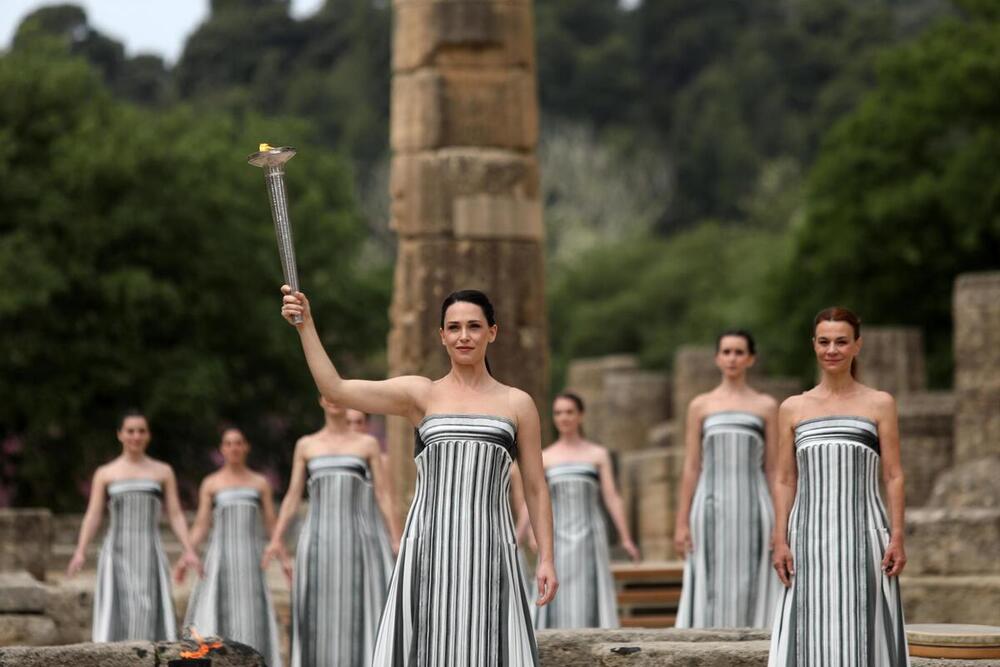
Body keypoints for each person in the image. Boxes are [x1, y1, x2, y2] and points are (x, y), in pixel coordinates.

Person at [280, 286, 557, 666]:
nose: (464, 336)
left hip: (492, 546)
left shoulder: (517, 403)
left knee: (489, 646)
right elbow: (337, 389)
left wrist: (546, 558)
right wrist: (305, 326)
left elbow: (536, 488)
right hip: (429, 544)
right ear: (442, 336)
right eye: (454, 327)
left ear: (493, 332)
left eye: (474, 326)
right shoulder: (419, 394)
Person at [769, 308, 909, 666]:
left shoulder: (880, 403)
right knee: (808, 628)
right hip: (806, 539)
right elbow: (785, 478)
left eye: (841, 341)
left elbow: (893, 474)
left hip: (865, 536)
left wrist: (897, 537)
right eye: (825, 341)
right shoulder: (792, 408)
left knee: (864, 629)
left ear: (857, 346)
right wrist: (780, 539)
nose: (833, 349)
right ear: (814, 346)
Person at [262, 397, 400, 667]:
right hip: (316, 541)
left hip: (357, 542)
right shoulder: (307, 444)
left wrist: (396, 538)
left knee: (359, 611)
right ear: (321, 401)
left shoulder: (366, 445)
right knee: (316, 614)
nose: (334, 400)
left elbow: (383, 495)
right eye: (327, 394)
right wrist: (276, 540)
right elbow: (292, 496)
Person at [674, 330, 781, 628]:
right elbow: (692, 466)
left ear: (751, 358)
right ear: (717, 358)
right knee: (710, 579)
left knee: (752, 578)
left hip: (754, 506)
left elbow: (773, 468)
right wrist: (682, 522)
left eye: (738, 352)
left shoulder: (766, 406)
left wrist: (782, 521)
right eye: (726, 352)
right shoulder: (700, 406)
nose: (732, 358)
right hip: (708, 506)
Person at [67, 410, 200, 641]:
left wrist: (189, 549)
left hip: (150, 551)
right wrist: (80, 550)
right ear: (120, 434)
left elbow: (176, 514)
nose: (136, 436)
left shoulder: (163, 471)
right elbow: (94, 514)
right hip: (116, 552)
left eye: (141, 431)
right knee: (116, 611)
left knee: (147, 610)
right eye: (130, 431)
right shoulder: (106, 473)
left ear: (148, 435)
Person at [176, 427, 283, 667]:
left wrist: (282, 557)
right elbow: (202, 524)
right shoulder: (211, 483)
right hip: (220, 559)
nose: (234, 448)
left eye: (238, 443)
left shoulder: (259, 483)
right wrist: (187, 555)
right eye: (229, 443)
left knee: (252, 615)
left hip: (250, 560)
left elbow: (270, 523)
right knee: (215, 612)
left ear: (246, 447)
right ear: (222, 449)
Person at [532, 392, 638, 629]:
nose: (564, 417)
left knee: (589, 590)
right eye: (558, 412)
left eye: (569, 412)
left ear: (580, 416)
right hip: (555, 536)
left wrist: (626, 538)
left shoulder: (598, 454)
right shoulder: (545, 457)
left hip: (590, 534)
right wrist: (530, 531)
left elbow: (611, 496)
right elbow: (536, 498)